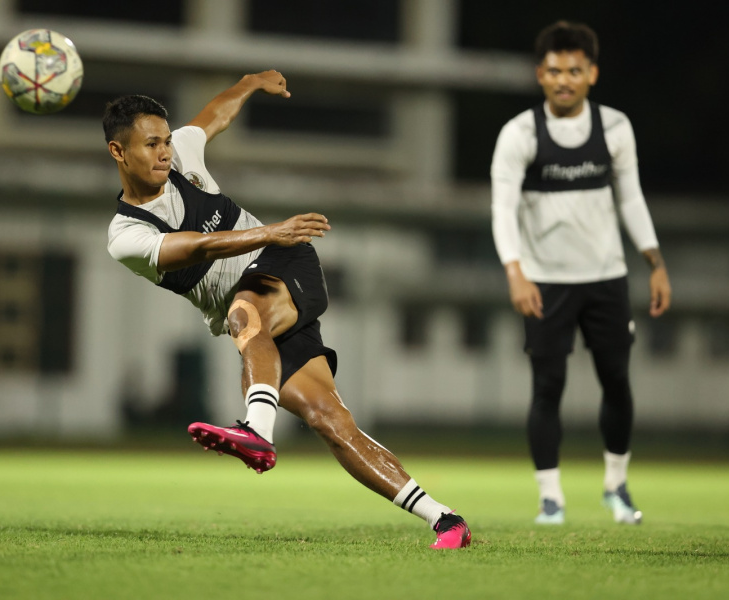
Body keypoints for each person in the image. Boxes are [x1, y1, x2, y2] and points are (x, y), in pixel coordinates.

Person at [104, 70, 471, 549]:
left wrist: (250, 83)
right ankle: (446, 520)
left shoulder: (181, 156)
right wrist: (267, 230)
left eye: (167, 141)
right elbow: (194, 248)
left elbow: (214, 115)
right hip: (261, 301)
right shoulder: (125, 236)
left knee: (242, 308)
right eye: (151, 145)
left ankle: (257, 429)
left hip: (284, 263)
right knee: (330, 421)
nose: (166, 152)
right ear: (118, 152)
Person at [490, 21, 672, 525]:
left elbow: (630, 198)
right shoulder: (519, 134)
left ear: (592, 73)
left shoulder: (615, 127)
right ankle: (551, 499)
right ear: (539, 75)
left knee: (616, 380)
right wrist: (516, 272)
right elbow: (502, 210)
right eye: (554, 71)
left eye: (574, 70)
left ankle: (617, 487)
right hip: (546, 282)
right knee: (548, 387)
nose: (564, 80)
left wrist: (654, 262)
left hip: (607, 278)